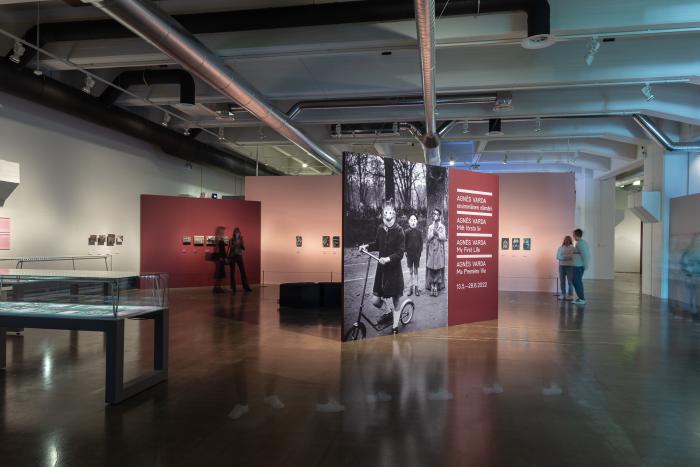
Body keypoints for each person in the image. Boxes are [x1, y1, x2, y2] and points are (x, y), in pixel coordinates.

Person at [359, 199, 405, 335]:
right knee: (375, 301)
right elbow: (377, 244)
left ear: (394, 213)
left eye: (390, 211)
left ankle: (395, 326)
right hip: (382, 271)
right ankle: (388, 312)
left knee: (396, 299)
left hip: (394, 271)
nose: (388, 213)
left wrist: (388, 259)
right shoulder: (380, 228)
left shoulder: (399, 231)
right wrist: (366, 246)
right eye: (385, 211)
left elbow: (400, 253)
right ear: (383, 213)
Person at [425, 208, 447, 297]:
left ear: (439, 216)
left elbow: (444, 238)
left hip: (439, 251)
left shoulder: (442, 227)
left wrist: (437, 233)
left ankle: (436, 287)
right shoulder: (430, 227)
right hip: (431, 250)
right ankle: (432, 286)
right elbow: (428, 238)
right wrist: (432, 234)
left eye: (437, 214)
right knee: (431, 269)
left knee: (438, 269)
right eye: (434, 214)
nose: (435, 215)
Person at [680, 234, 700, 320]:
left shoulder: (693, 252)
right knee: (692, 295)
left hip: (694, 277)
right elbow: (683, 265)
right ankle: (693, 312)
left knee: (691, 295)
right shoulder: (688, 253)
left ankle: (689, 310)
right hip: (690, 277)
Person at [404, 214, 423, 297]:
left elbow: (421, 243)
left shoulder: (419, 232)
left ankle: (416, 288)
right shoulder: (406, 232)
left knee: (416, 271)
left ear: (417, 221)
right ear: (409, 221)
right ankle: (410, 288)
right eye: (411, 220)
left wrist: (419, 252)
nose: (413, 222)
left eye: (414, 220)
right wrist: (405, 251)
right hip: (409, 255)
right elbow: (404, 243)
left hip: (416, 255)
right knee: (410, 271)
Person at [229, 227, 252, 293]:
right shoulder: (231, 240)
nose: (237, 234)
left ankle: (246, 287)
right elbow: (231, 248)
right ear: (234, 233)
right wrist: (236, 243)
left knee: (243, 271)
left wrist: (241, 243)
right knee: (232, 272)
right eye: (236, 232)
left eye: (238, 233)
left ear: (239, 233)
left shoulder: (241, 239)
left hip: (239, 256)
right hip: (232, 256)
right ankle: (233, 287)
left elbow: (243, 248)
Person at [571, 228, 590, 305]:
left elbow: (585, 255)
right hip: (577, 266)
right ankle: (581, 298)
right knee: (577, 281)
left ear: (576, 235)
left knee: (577, 282)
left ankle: (582, 299)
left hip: (578, 266)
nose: (573, 236)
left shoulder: (581, 243)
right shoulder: (580, 243)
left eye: (573, 235)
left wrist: (586, 265)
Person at [556, 235, 576, 300]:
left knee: (570, 281)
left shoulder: (572, 248)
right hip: (561, 266)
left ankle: (570, 295)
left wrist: (563, 257)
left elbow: (572, 256)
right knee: (562, 281)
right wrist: (567, 257)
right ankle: (563, 294)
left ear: (570, 241)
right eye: (566, 239)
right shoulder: (560, 248)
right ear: (564, 240)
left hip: (570, 266)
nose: (567, 241)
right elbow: (558, 256)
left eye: (568, 240)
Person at [212, 226, 228, 294]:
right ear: (219, 231)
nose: (223, 232)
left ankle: (217, 287)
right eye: (222, 231)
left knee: (220, 273)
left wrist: (224, 257)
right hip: (219, 258)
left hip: (220, 257)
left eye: (223, 231)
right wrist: (222, 257)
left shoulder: (220, 238)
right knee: (219, 273)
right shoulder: (218, 238)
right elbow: (218, 249)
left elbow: (222, 249)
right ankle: (217, 288)